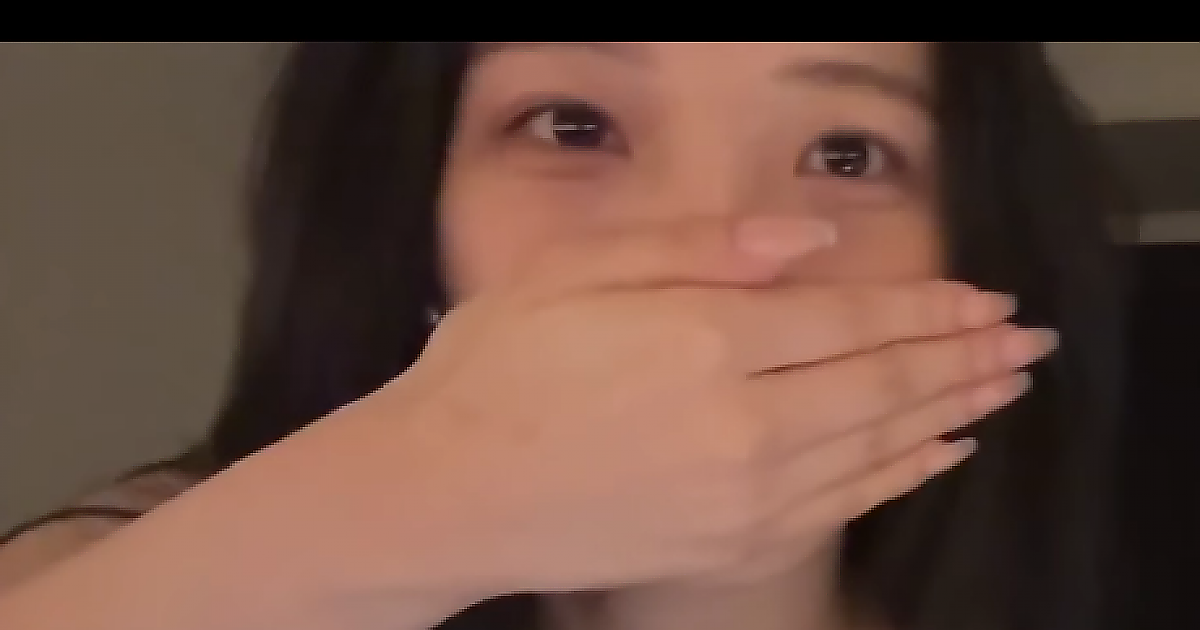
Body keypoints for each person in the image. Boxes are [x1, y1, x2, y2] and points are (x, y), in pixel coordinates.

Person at [0, 42, 1127, 630]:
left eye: (847, 153)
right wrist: (415, 502)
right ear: (414, 203)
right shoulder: (138, 563)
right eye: (572, 126)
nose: (711, 245)